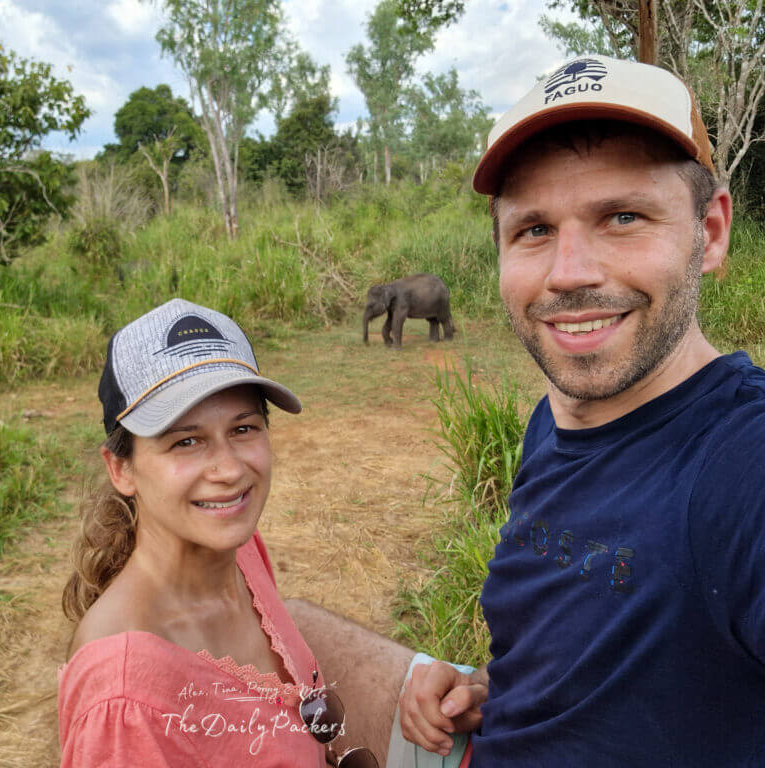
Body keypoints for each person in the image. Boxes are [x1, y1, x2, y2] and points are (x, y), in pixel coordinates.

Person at [297, 53, 765, 766]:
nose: (569, 273)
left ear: (713, 232)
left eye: (623, 216)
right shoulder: (557, 417)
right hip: (483, 734)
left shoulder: (742, 465)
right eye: (534, 230)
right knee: (271, 623)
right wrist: (488, 686)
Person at [58, 298, 385, 767]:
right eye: (185, 441)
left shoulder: (245, 554)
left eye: (244, 428)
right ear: (121, 469)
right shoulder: (123, 700)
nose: (229, 469)